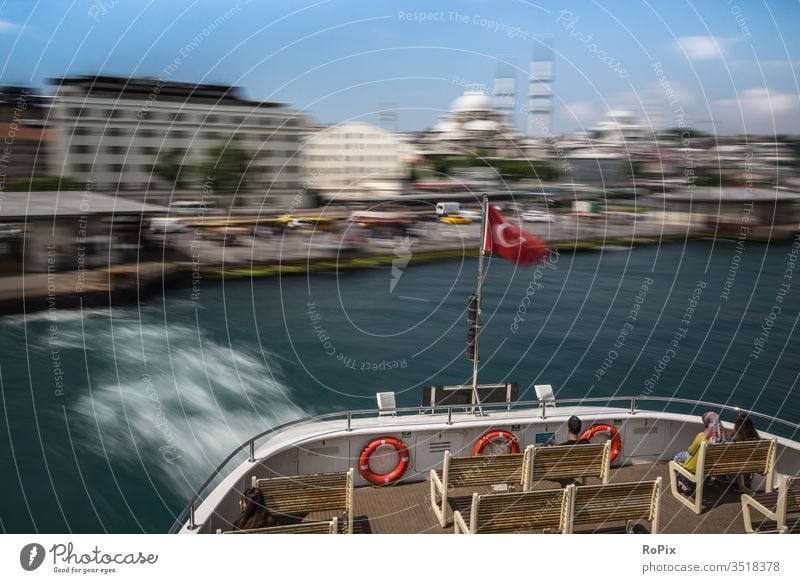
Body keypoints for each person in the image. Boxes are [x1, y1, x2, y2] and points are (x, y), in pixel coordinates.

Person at [673, 411, 730, 494]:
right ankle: (707, 479)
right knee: (709, 459)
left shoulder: (702, 436)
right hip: (715, 468)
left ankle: (683, 483)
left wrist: (691, 448)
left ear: (707, 422)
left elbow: (691, 451)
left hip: (698, 467)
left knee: (678, 456)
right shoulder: (726, 439)